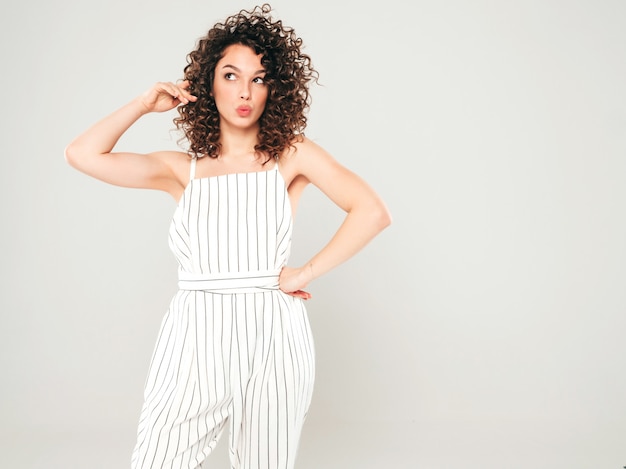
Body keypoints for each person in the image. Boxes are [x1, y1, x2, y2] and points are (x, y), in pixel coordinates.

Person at [65, 4, 391, 469]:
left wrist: (305, 271)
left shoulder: (291, 155)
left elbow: (373, 212)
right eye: (231, 75)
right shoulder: (180, 170)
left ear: (272, 90)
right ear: (208, 84)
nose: (244, 91)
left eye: (259, 79)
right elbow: (81, 154)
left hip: (274, 333)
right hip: (194, 333)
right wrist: (142, 104)